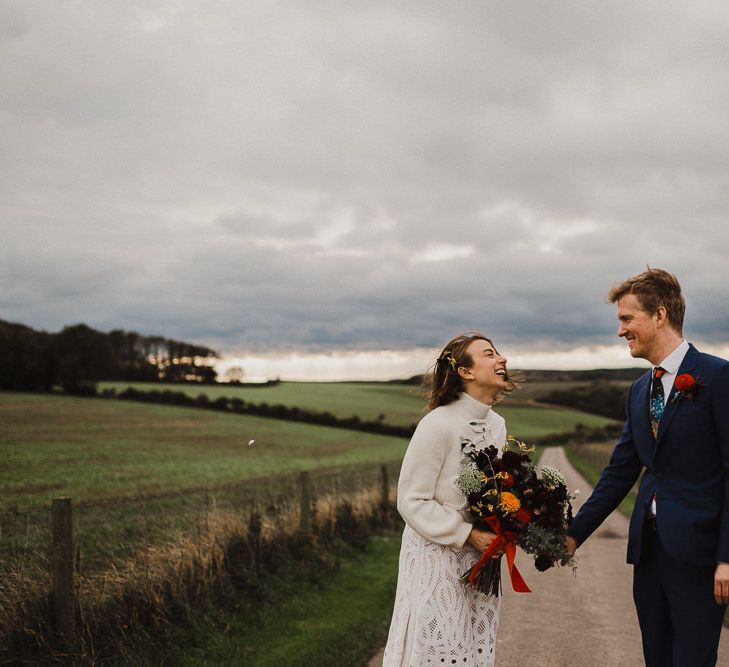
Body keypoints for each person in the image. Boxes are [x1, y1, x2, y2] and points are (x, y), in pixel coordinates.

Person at [566, 267, 729, 666]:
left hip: (701, 555)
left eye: (626, 319)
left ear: (660, 315)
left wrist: (728, 557)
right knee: (655, 658)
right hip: (648, 554)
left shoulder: (718, 376)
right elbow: (619, 472)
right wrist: (571, 536)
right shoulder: (640, 390)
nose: (620, 331)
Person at [382, 332, 516, 667]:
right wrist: (467, 533)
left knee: (471, 647)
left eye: (498, 353)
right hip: (436, 556)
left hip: (479, 558)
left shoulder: (498, 425)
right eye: (489, 354)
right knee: (437, 649)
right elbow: (411, 500)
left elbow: (492, 491)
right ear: (466, 372)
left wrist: (504, 525)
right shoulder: (436, 425)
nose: (502, 359)